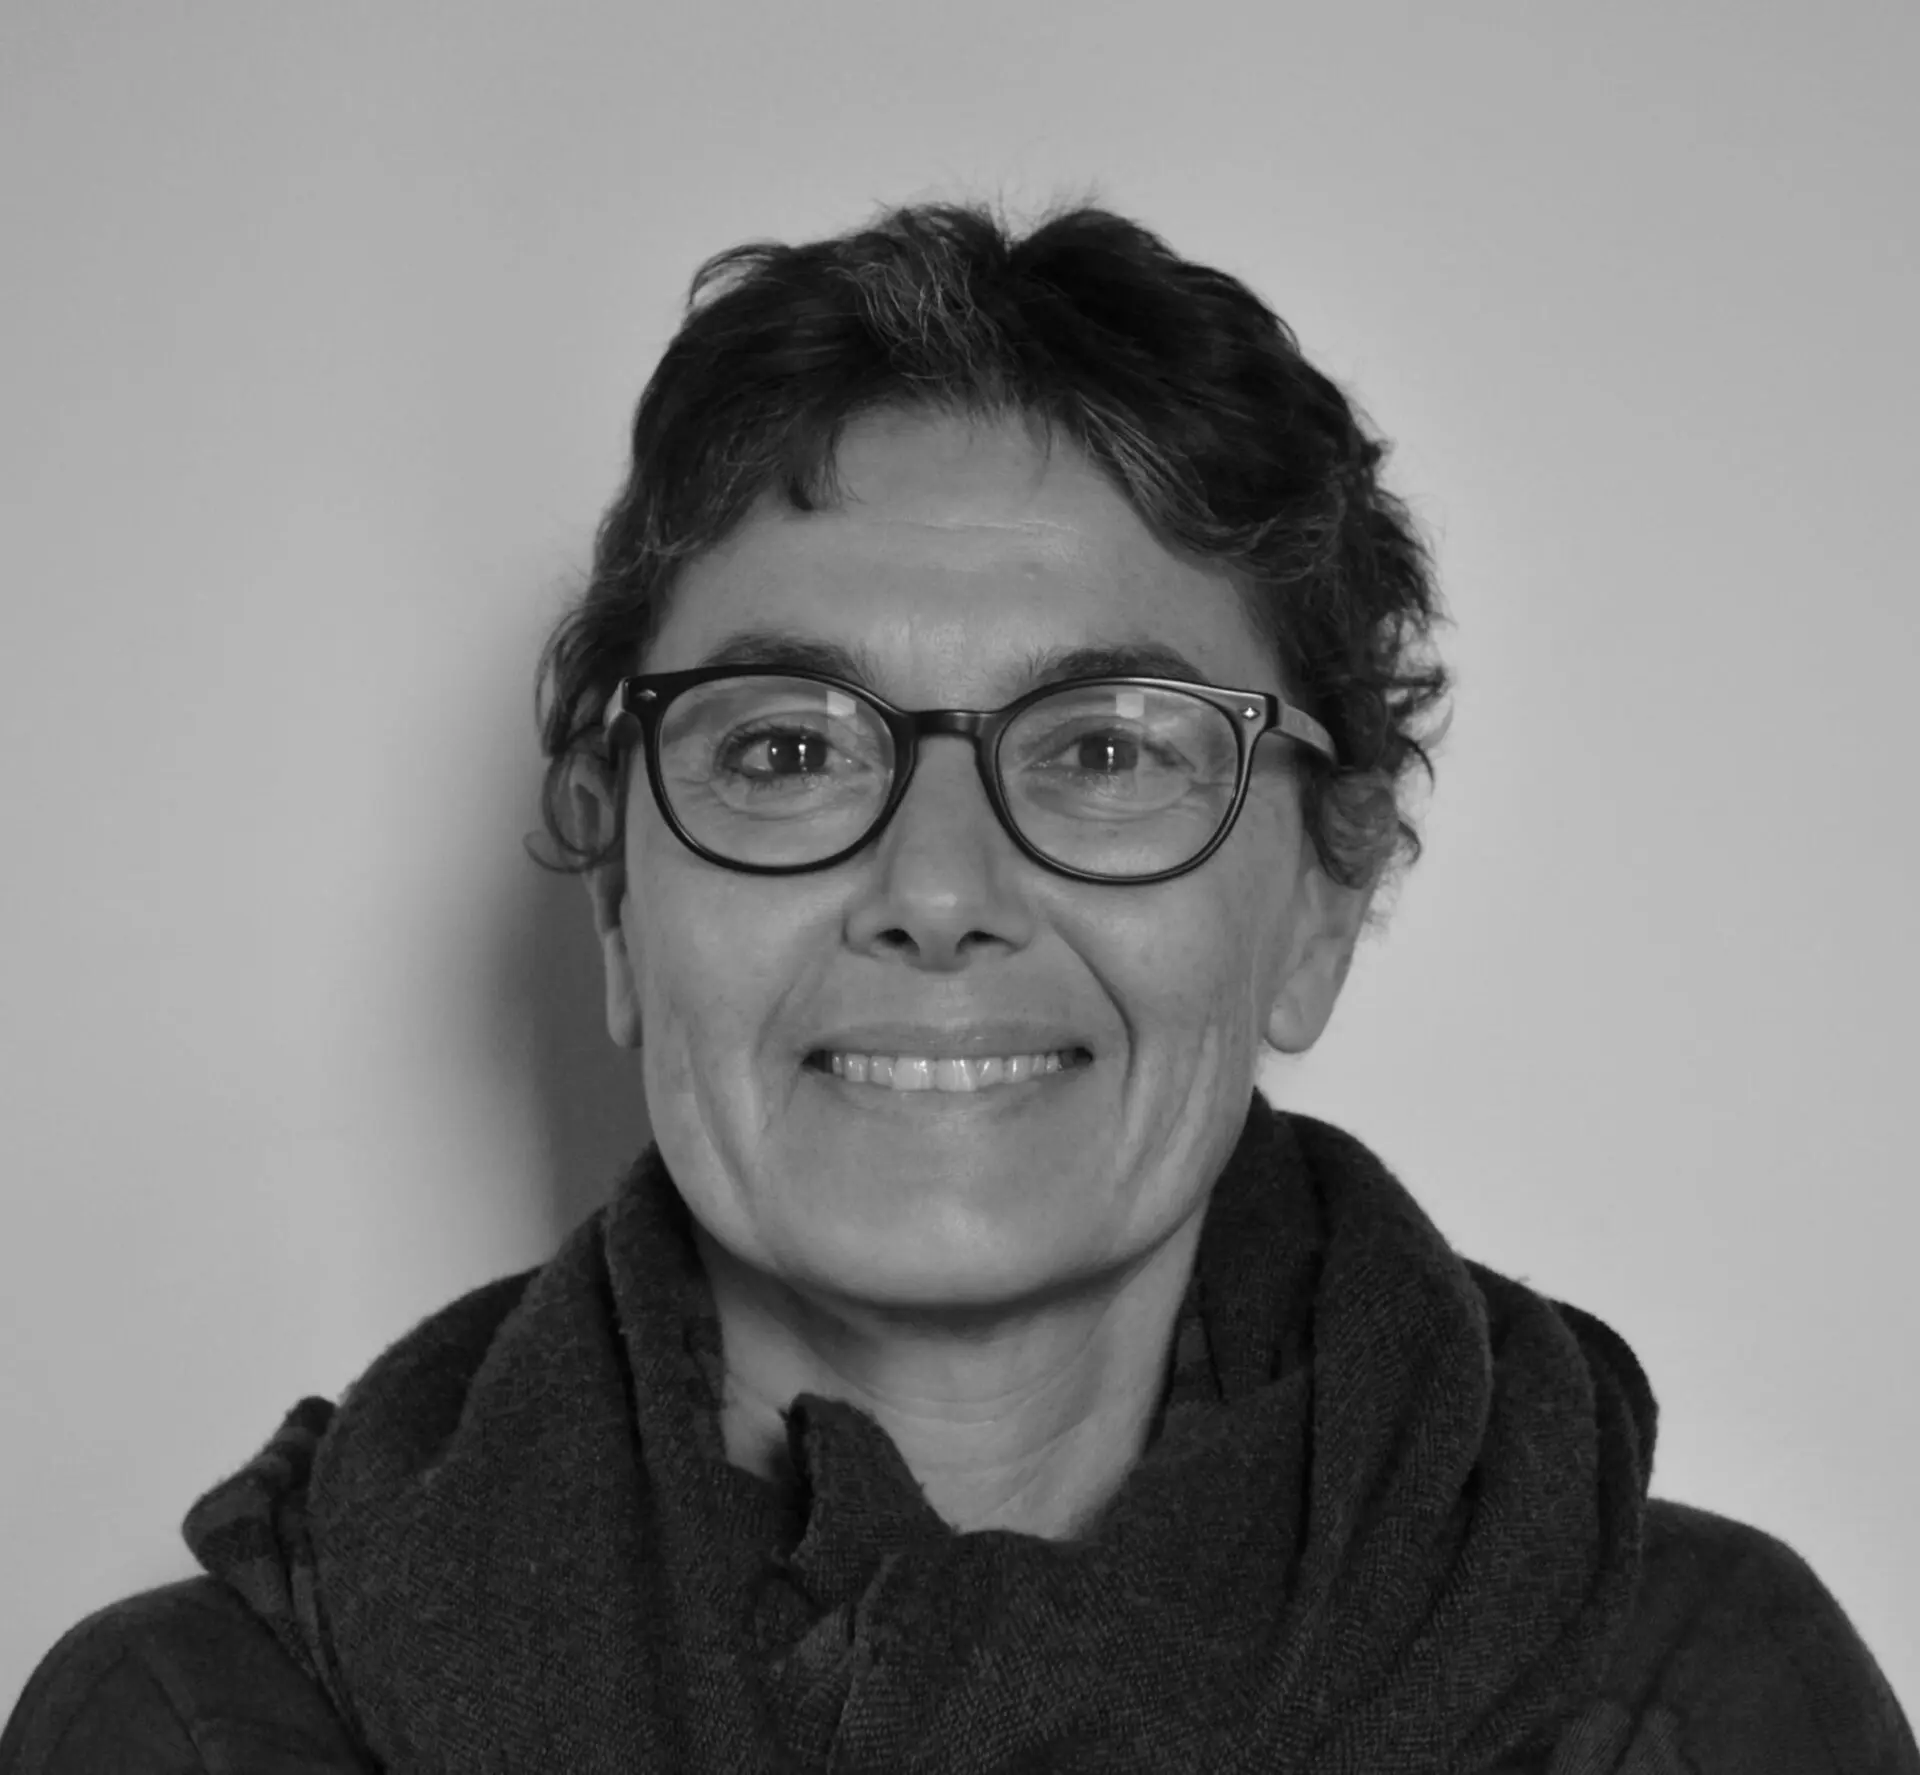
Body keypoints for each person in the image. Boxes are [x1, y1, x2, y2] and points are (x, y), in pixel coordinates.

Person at [4, 198, 1914, 1775]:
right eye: (785, 749)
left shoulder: (1692, 1710)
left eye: (1105, 749)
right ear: (619, 908)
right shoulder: (195, 1732)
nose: (934, 890)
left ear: (1321, 906)